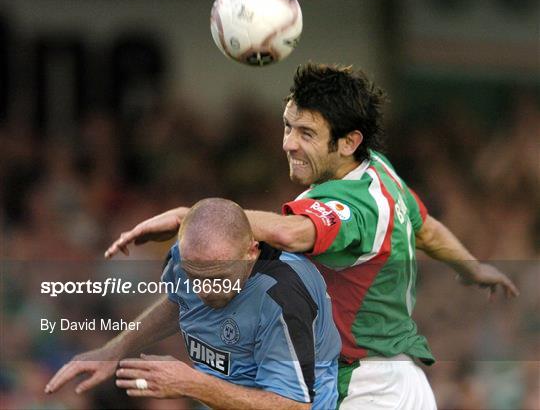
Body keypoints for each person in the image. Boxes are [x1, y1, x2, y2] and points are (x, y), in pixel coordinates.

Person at [104, 63, 519, 409]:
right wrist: (472, 267)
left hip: (366, 390)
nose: (288, 143)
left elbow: (292, 233)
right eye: (288, 126)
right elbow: (424, 227)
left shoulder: (352, 204)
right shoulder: (377, 171)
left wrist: (190, 215)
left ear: (348, 141)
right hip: (387, 381)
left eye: (306, 133)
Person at [46, 198, 341, 410]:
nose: (205, 291)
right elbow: (178, 303)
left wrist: (192, 384)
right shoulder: (194, 257)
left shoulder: (283, 296)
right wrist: (114, 350)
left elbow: (293, 405)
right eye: (193, 277)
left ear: (251, 251)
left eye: (218, 278)